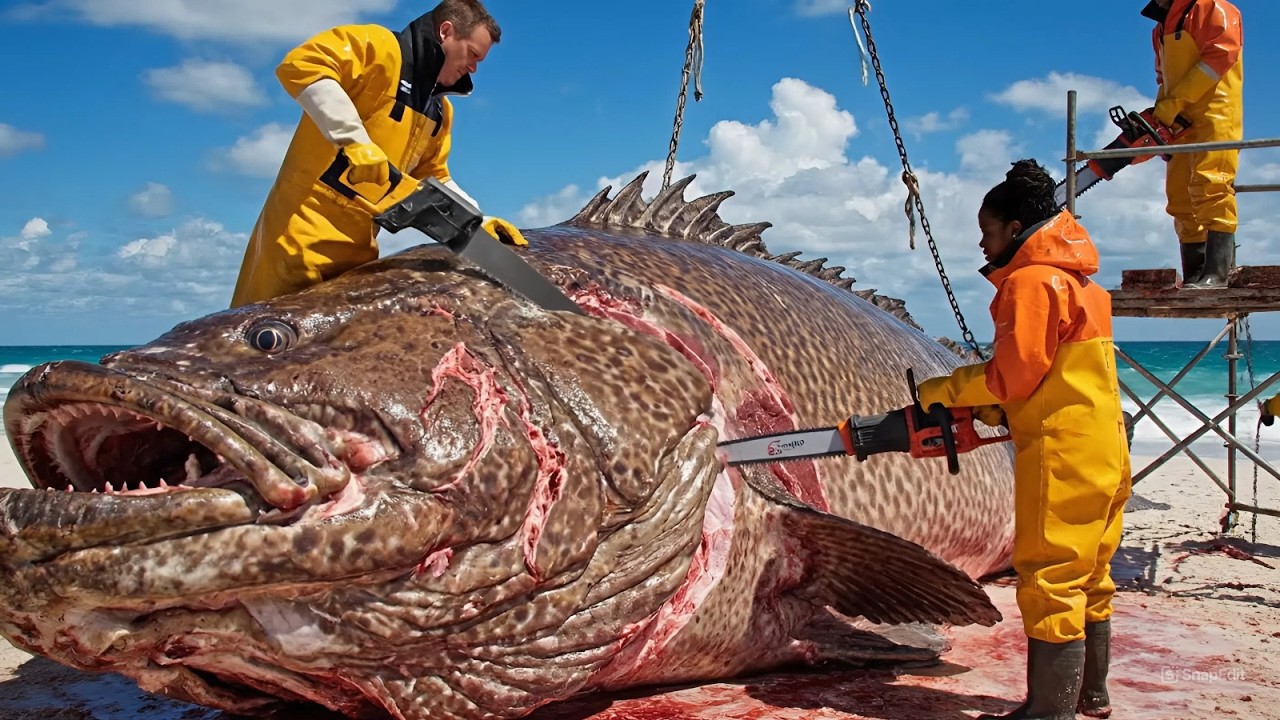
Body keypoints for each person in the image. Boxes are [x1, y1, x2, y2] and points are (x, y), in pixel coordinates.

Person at [915, 159, 1132, 720]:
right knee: (1092, 573)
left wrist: (947, 387)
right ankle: (1092, 695)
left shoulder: (1032, 283)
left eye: (987, 231)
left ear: (1015, 229)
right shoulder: (1086, 287)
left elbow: (1013, 375)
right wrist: (1001, 403)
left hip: (1061, 454)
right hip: (1107, 448)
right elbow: (1054, 377)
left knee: (1049, 577)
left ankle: (1048, 712)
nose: (982, 244)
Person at [230, 0, 524, 308]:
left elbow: (432, 176)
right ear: (446, 32)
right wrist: (354, 141)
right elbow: (302, 64)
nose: (474, 68)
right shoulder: (378, 48)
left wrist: (476, 221)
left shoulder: (440, 112)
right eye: (473, 54)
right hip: (293, 245)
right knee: (240, 345)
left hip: (357, 260)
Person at [1141, 0, 1244, 289]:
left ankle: (1217, 273)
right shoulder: (1160, 27)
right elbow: (1164, 78)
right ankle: (1195, 272)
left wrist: (1171, 105)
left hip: (1215, 112)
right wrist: (1160, 116)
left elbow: (1218, 58)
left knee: (1212, 185)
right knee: (1180, 196)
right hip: (1177, 118)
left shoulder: (1213, 8)